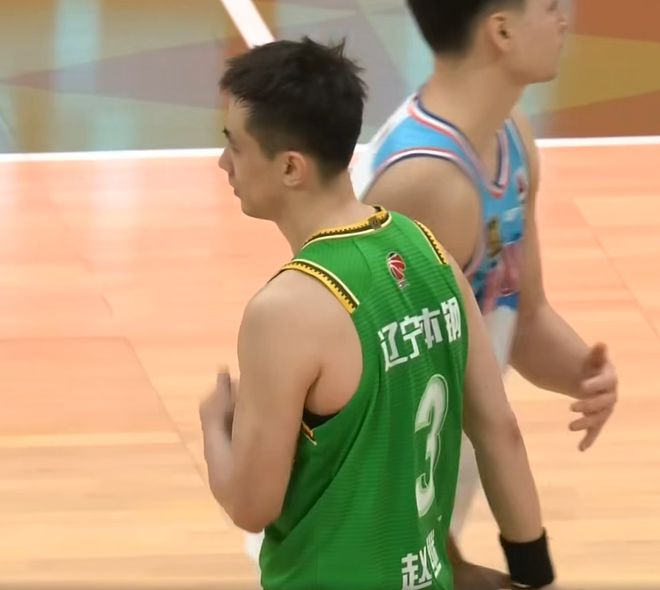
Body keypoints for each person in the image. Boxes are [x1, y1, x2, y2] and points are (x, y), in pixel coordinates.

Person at [200, 37, 559, 590]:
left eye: (236, 146)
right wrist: (534, 576)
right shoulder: (431, 251)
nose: (224, 162)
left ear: (291, 167)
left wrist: (214, 426)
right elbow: (500, 431)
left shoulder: (286, 311)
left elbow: (252, 505)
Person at [350, 0, 618, 586]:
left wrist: (582, 373)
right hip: (367, 517)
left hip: (431, 482)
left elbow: (524, 317)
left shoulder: (510, 136)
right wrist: (444, 558)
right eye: (549, 7)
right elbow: (374, 407)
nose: (563, 19)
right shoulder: (428, 184)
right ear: (501, 30)